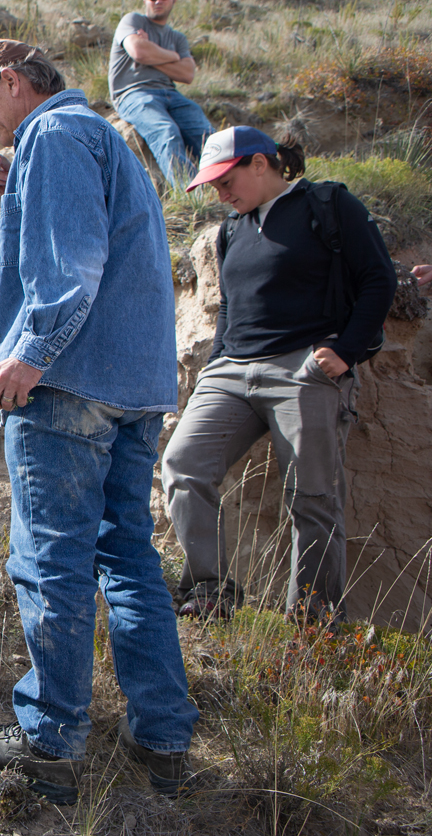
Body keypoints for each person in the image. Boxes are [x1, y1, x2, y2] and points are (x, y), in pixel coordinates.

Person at [0, 40, 199, 803]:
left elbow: (73, 264)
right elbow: (103, 253)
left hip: (69, 385)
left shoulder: (51, 134)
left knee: (52, 558)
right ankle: (162, 735)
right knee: (128, 559)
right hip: (135, 386)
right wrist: (9, 200)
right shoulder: (101, 140)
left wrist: (30, 354)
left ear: (11, 84)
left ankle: (50, 741)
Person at [160, 127, 396, 622]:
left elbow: (379, 278)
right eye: (214, 186)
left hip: (303, 368)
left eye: (226, 180)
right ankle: (210, 592)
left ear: (261, 164)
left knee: (313, 496)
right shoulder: (231, 230)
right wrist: (215, 365)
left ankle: (313, 622)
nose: (220, 193)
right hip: (232, 371)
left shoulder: (328, 205)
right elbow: (230, 307)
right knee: (182, 466)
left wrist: (344, 352)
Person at [109, 0, 213, 184]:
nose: (158, 1)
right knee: (166, 132)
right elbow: (138, 51)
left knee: (208, 137)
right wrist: (173, 57)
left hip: (171, 95)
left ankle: (227, 185)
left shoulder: (177, 38)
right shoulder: (133, 20)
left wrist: (153, 54)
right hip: (133, 93)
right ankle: (192, 195)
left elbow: (187, 74)